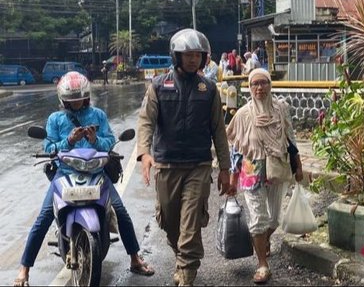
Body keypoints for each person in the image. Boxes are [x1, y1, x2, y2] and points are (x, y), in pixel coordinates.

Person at [13, 71, 154, 287]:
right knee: (42, 219)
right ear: (64, 99)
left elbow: (109, 142)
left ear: (86, 96)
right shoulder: (56, 119)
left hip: (96, 173)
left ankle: (135, 258)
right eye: (71, 99)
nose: (76, 102)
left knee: (122, 213)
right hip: (65, 174)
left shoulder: (98, 115)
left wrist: (94, 139)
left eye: (79, 97)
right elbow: (49, 147)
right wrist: (68, 140)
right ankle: (24, 270)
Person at [136, 28, 231, 287]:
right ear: (176, 56)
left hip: (198, 165)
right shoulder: (158, 85)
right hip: (167, 164)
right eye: (187, 55)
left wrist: (225, 168)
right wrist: (144, 153)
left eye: (197, 55)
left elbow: (218, 131)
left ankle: (187, 275)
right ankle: (182, 260)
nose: (192, 60)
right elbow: (146, 121)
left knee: (190, 225)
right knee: (169, 222)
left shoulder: (209, 89)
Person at [225, 68, 303, 284]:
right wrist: (232, 177)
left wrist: (298, 164)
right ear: (249, 88)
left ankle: (262, 240)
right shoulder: (243, 114)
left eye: (263, 83)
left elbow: (290, 137)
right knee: (259, 219)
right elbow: (236, 148)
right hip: (251, 169)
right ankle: (262, 264)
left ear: (270, 84)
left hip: (277, 166)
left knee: (275, 219)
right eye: (254, 84)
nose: (259, 88)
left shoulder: (280, 109)